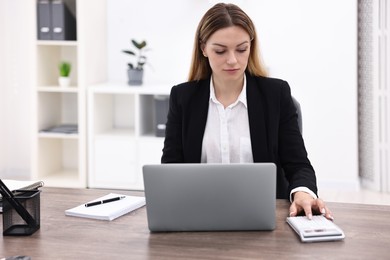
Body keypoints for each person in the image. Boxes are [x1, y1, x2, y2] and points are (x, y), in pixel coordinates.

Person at [161, 3, 333, 220]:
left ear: (251, 46)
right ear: (203, 48)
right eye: (220, 51)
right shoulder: (183, 98)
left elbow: (298, 164)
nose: (233, 60)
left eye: (242, 49)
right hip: (199, 214)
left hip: (262, 216)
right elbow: (170, 167)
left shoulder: (275, 94)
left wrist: (302, 192)